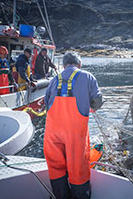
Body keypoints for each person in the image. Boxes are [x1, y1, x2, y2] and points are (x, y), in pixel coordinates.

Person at [44, 51, 103, 199]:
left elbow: (47, 105)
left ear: (64, 65)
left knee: (55, 166)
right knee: (78, 168)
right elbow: (97, 101)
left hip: (52, 133)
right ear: (80, 64)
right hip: (75, 133)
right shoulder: (88, 77)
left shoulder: (53, 80)